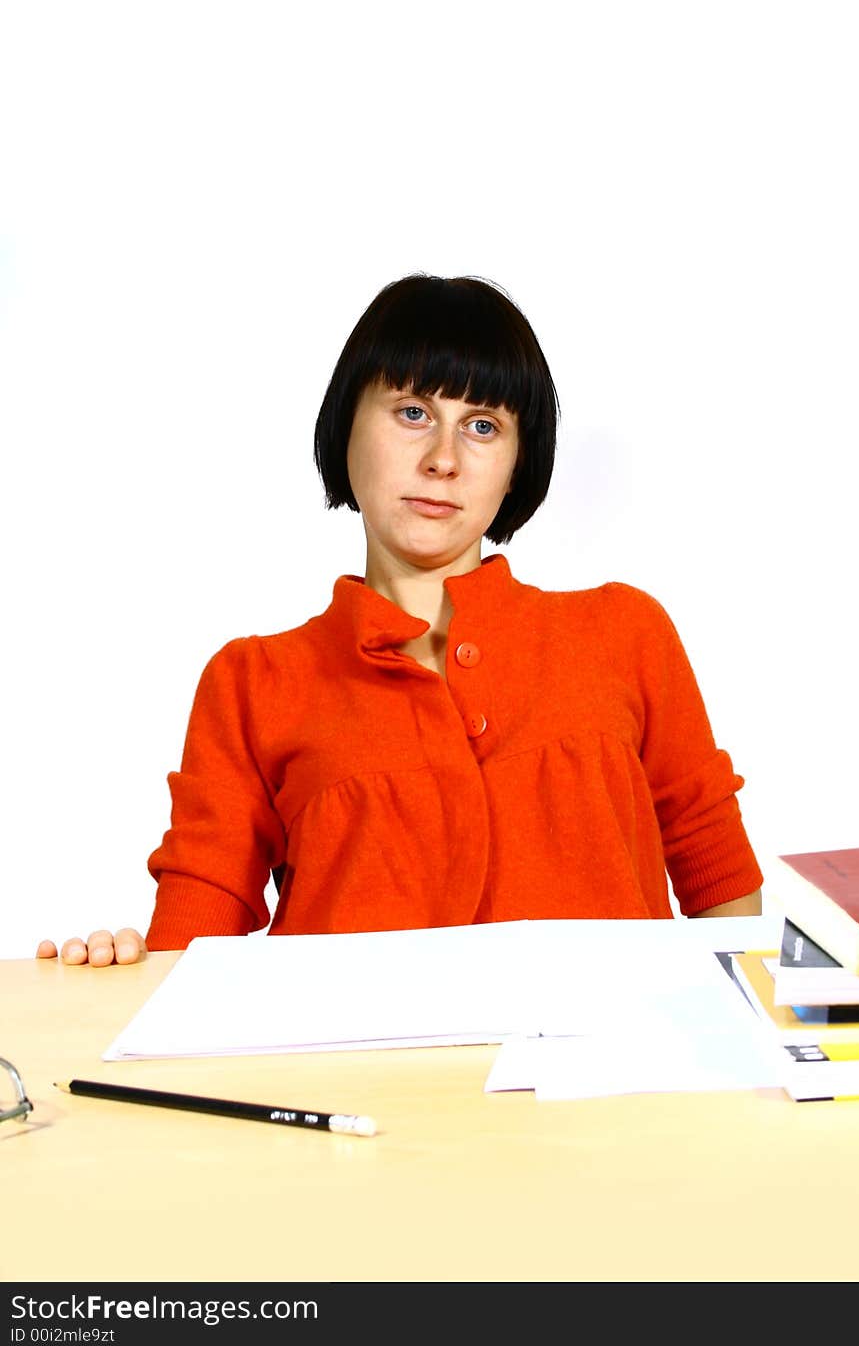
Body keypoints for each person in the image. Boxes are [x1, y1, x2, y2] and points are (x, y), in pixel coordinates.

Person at [37, 273, 762, 968]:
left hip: (608, 1083)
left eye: (482, 425)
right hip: (351, 1087)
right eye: (412, 412)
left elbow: (721, 880)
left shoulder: (623, 633)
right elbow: (189, 951)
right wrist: (119, 973)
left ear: (518, 462)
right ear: (345, 427)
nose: (443, 458)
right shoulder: (253, 683)